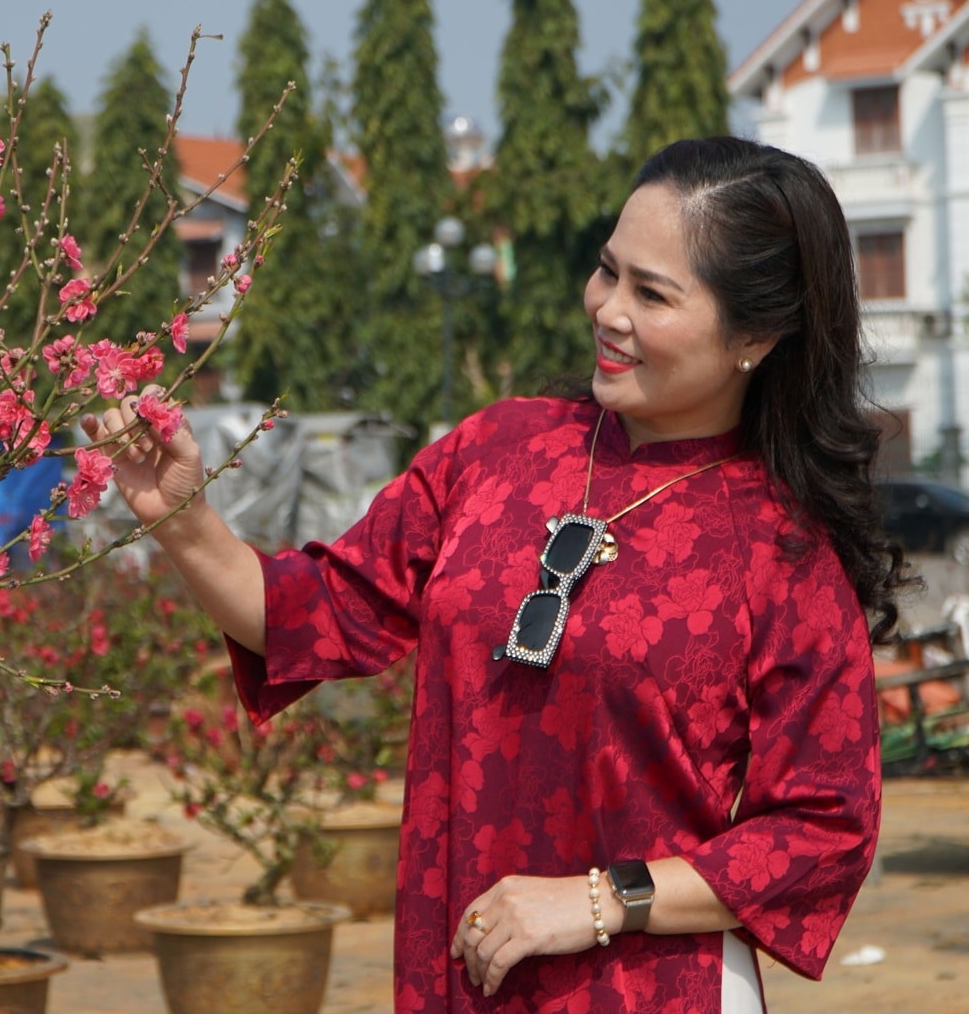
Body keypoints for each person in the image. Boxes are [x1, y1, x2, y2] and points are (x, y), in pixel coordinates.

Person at [85, 137, 910, 1012]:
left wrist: (600, 900)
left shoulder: (783, 550)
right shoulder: (498, 448)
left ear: (755, 337)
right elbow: (311, 613)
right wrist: (182, 516)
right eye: (608, 271)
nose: (608, 310)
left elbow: (823, 831)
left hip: (655, 989)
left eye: (652, 293)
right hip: (462, 976)